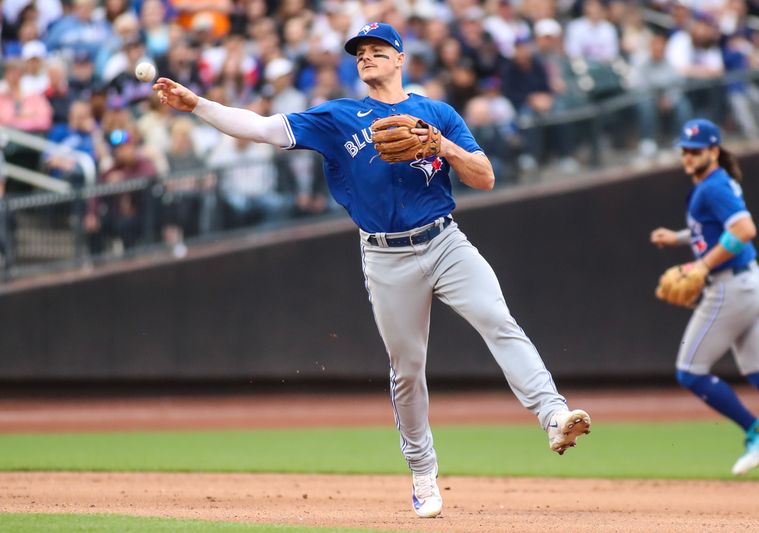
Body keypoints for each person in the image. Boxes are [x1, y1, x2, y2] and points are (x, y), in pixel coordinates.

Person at [153, 22, 592, 517]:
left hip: (444, 240)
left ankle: (553, 414)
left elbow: (485, 176)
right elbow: (261, 128)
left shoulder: (436, 113)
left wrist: (440, 146)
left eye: (377, 49)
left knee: (499, 321)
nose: (366, 57)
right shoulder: (339, 117)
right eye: (359, 52)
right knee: (407, 370)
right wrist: (200, 106)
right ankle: (423, 473)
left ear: (400, 57)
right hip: (386, 255)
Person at [650, 118, 759, 483]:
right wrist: (680, 238)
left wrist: (701, 264)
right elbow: (714, 229)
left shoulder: (712, 186)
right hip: (755, 282)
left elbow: (745, 230)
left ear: (714, 151)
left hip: (731, 287)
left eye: (696, 151)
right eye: (684, 151)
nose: (688, 157)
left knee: (690, 371)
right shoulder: (715, 184)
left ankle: (757, 431)